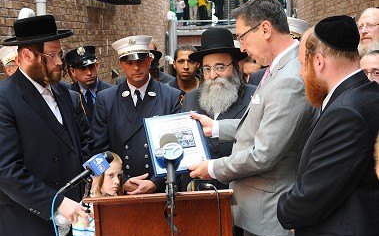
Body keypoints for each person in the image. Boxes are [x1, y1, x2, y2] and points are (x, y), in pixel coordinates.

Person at [188, 0, 314, 236]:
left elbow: (264, 153)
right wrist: (216, 128)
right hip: (256, 213)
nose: (243, 48)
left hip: (270, 215)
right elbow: (264, 126)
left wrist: (212, 168)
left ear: (265, 29)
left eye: (242, 37)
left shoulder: (289, 77)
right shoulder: (277, 69)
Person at [277, 15, 379, 236]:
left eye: (303, 63)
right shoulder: (367, 95)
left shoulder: (346, 112)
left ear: (319, 61)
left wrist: (284, 207)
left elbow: (311, 197)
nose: (302, 73)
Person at [0, 15, 91, 236]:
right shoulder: (4, 99)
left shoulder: (64, 94)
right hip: (27, 224)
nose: (60, 61)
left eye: (59, 53)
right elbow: (7, 171)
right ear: (27, 55)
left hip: (74, 220)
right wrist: (57, 202)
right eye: (51, 55)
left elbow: (81, 149)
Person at [92, 35, 182, 195]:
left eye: (140, 61)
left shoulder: (171, 96)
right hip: (119, 190)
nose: (136, 68)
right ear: (121, 64)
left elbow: (178, 147)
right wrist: (122, 181)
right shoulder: (106, 99)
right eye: (129, 62)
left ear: (149, 60)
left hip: (160, 190)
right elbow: (99, 151)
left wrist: (156, 182)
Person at [179, 27, 256, 192]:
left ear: (236, 67)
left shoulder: (254, 97)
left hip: (239, 195)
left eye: (220, 67)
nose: (212, 75)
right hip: (197, 196)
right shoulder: (191, 99)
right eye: (207, 69)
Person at [72, 152, 123, 236]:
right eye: (111, 175)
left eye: (119, 175)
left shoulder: (117, 203)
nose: (117, 181)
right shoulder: (84, 211)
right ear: (96, 177)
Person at [65, 46, 113, 126]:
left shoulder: (111, 92)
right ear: (73, 72)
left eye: (91, 67)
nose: (89, 73)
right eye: (83, 68)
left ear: (97, 66)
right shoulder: (69, 97)